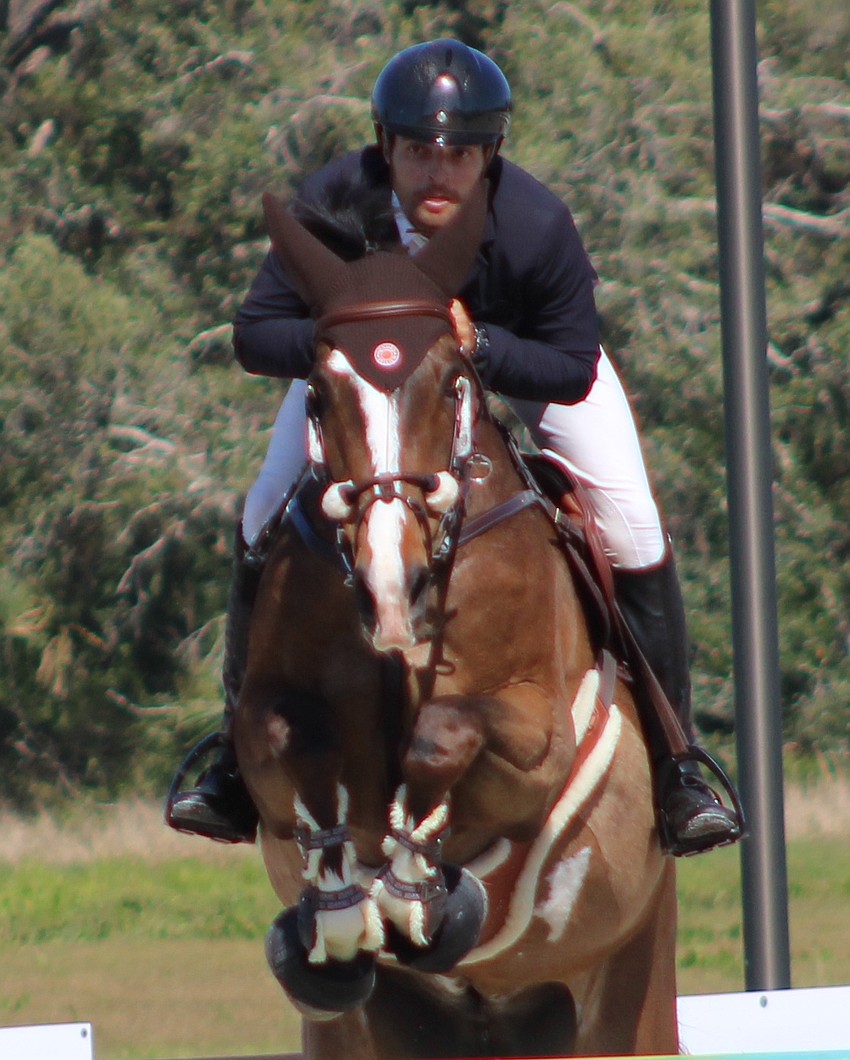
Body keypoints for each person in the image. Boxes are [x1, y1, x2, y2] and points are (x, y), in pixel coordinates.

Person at [167, 39, 743, 856]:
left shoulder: (535, 224)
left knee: (633, 523)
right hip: (370, 384)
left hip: (523, 368)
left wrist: (478, 350)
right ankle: (231, 754)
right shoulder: (335, 200)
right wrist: (351, 347)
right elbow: (255, 333)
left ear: (491, 154)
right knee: (264, 507)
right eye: (418, 152)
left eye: (461, 155)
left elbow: (571, 366)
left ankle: (677, 760)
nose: (439, 174)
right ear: (386, 146)